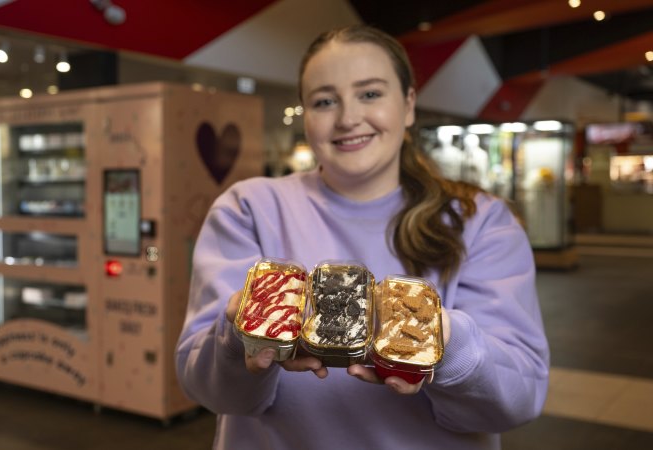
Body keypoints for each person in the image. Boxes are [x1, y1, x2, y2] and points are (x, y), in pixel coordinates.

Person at [175, 24, 549, 450]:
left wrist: (440, 342)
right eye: (324, 101)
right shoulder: (249, 208)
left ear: (408, 105)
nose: (348, 118)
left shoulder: (478, 220)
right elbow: (207, 388)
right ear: (305, 115)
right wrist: (239, 335)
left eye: (370, 94)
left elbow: (519, 399)